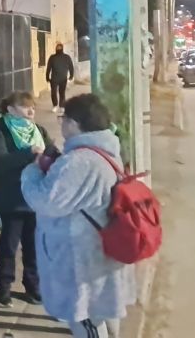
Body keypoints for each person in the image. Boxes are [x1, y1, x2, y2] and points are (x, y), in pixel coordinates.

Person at [21, 94, 136, 338]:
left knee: (85, 320)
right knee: (103, 314)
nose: (61, 124)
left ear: (74, 123)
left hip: (81, 262)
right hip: (101, 250)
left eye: (63, 119)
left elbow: (45, 201)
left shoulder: (79, 161)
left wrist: (32, 170)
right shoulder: (104, 150)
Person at [0, 91, 56, 308]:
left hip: (36, 200)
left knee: (34, 246)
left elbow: (53, 153)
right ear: (10, 110)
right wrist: (28, 153)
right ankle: (3, 287)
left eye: (33, 107)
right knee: (8, 246)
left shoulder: (39, 131)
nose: (31, 111)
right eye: (25, 107)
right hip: (11, 200)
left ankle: (33, 286)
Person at [45, 43, 75, 113]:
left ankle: (62, 106)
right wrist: (47, 77)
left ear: (62, 48)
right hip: (54, 78)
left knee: (62, 93)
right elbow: (48, 68)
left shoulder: (67, 57)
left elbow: (71, 67)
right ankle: (55, 105)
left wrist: (71, 76)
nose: (58, 49)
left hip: (63, 78)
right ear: (56, 48)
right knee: (53, 92)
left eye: (60, 47)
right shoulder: (52, 57)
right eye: (57, 47)